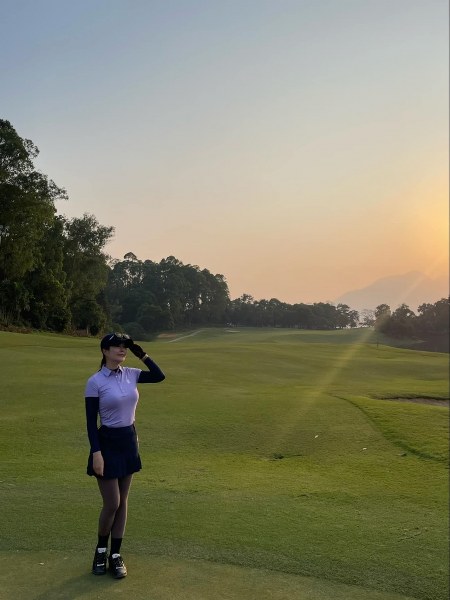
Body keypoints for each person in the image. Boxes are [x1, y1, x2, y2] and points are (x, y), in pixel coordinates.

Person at [85, 332, 165, 579]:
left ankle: (115, 555)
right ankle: (100, 551)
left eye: (125, 346)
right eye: (116, 346)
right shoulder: (95, 381)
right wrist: (96, 453)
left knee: (123, 501)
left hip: (128, 441)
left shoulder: (132, 373)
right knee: (112, 503)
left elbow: (159, 376)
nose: (122, 349)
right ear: (104, 351)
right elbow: (91, 423)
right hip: (107, 442)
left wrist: (143, 355)